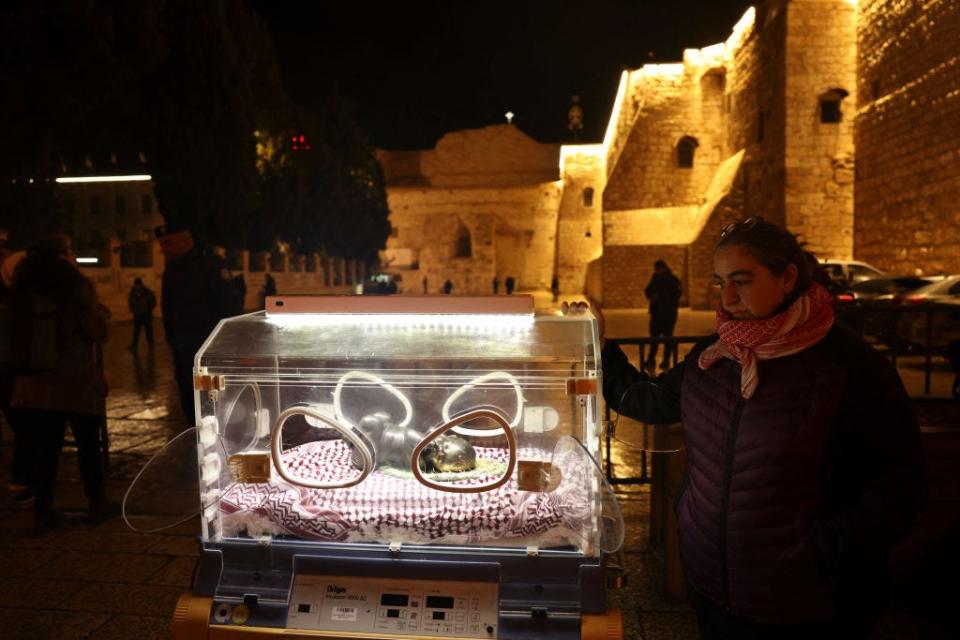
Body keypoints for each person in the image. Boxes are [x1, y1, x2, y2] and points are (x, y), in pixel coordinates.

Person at [575, 217, 926, 638]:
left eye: (741, 280)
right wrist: (599, 345)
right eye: (720, 281)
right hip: (712, 585)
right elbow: (649, 400)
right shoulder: (715, 357)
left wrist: (821, 552)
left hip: (807, 602)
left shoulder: (846, 367)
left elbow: (900, 485)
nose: (727, 297)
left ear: (787, 278)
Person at [8, 234, 115, 534]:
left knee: (45, 449)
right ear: (61, 256)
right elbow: (98, 330)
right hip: (73, 378)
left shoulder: (21, 289)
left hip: (32, 382)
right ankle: (97, 503)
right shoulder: (74, 287)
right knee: (87, 445)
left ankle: (43, 512)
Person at [157, 223, 243, 424]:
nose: (163, 249)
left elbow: (230, 306)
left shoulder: (211, 265)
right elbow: (168, 308)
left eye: (168, 243)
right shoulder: (172, 269)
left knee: (214, 405)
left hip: (209, 349)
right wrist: (172, 340)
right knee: (189, 403)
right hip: (184, 350)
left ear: (186, 241)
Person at [643, 258, 682, 370]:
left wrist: (665, 300)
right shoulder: (656, 278)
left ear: (663, 268)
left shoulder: (673, 280)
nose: (657, 271)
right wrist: (653, 296)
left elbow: (677, 295)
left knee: (667, 339)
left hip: (668, 315)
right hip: (657, 314)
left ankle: (665, 360)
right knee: (654, 339)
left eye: (658, 269)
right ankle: (651, 360)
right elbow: (648, 291)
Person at [127, 277, 156, 351]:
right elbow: (130, 302)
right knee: (136, 331)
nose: (137, 286)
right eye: (136, 285)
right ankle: (134, 345)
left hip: (146, 314)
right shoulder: (133, 293)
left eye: (138, 285)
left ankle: (151, 344)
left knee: (148, 330)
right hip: (137, 314)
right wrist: (132, 309)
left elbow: (153, 302)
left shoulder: (147, 292)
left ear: (141, 285)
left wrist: (148, 307)